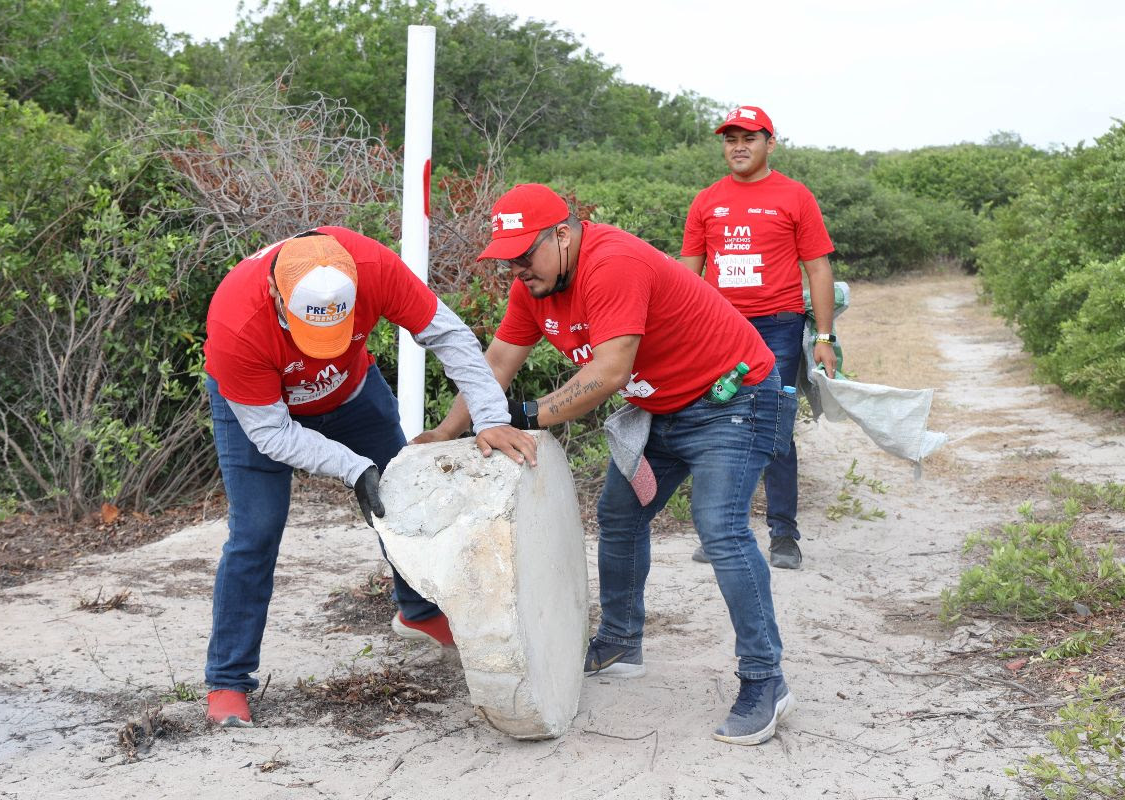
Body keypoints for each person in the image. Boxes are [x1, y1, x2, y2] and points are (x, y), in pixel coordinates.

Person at [418, 184, 797, 745]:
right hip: (659, 409)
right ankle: (621, 640)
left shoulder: (611, 263)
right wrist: (448, 431)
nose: (517, 269)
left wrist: (522, 415)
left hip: (732, 400)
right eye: (508, 259)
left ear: (563, 235)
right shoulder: (536, 287)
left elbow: (611, 370)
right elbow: (497, 359)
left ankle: (766, 680)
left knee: (719, 528)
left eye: (525, 254)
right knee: (619, 517)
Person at [202, 227, 537, 728]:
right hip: (260, 410)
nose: (319, 350)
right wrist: (352, 467)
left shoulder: (374, 268)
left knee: (401, 500)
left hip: (353, 393)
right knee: (256, 532)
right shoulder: (236, 320)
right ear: (277, 294)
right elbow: (273, 434)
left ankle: (419, 613)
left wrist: (490, 416)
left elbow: (448, 335)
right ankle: (228, 681)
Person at [680, 105, 837, 571]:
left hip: (778, 326)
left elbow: (818, 268)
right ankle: (720, 530)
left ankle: (784, 535)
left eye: (749, 138)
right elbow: (686, 275)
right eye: (730, 139)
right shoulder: (706, 201)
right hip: (717, 330)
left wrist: (824, 336)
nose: (739, 146)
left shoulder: (794, 195)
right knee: (716, 428)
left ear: (770, 143)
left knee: (773, 428)